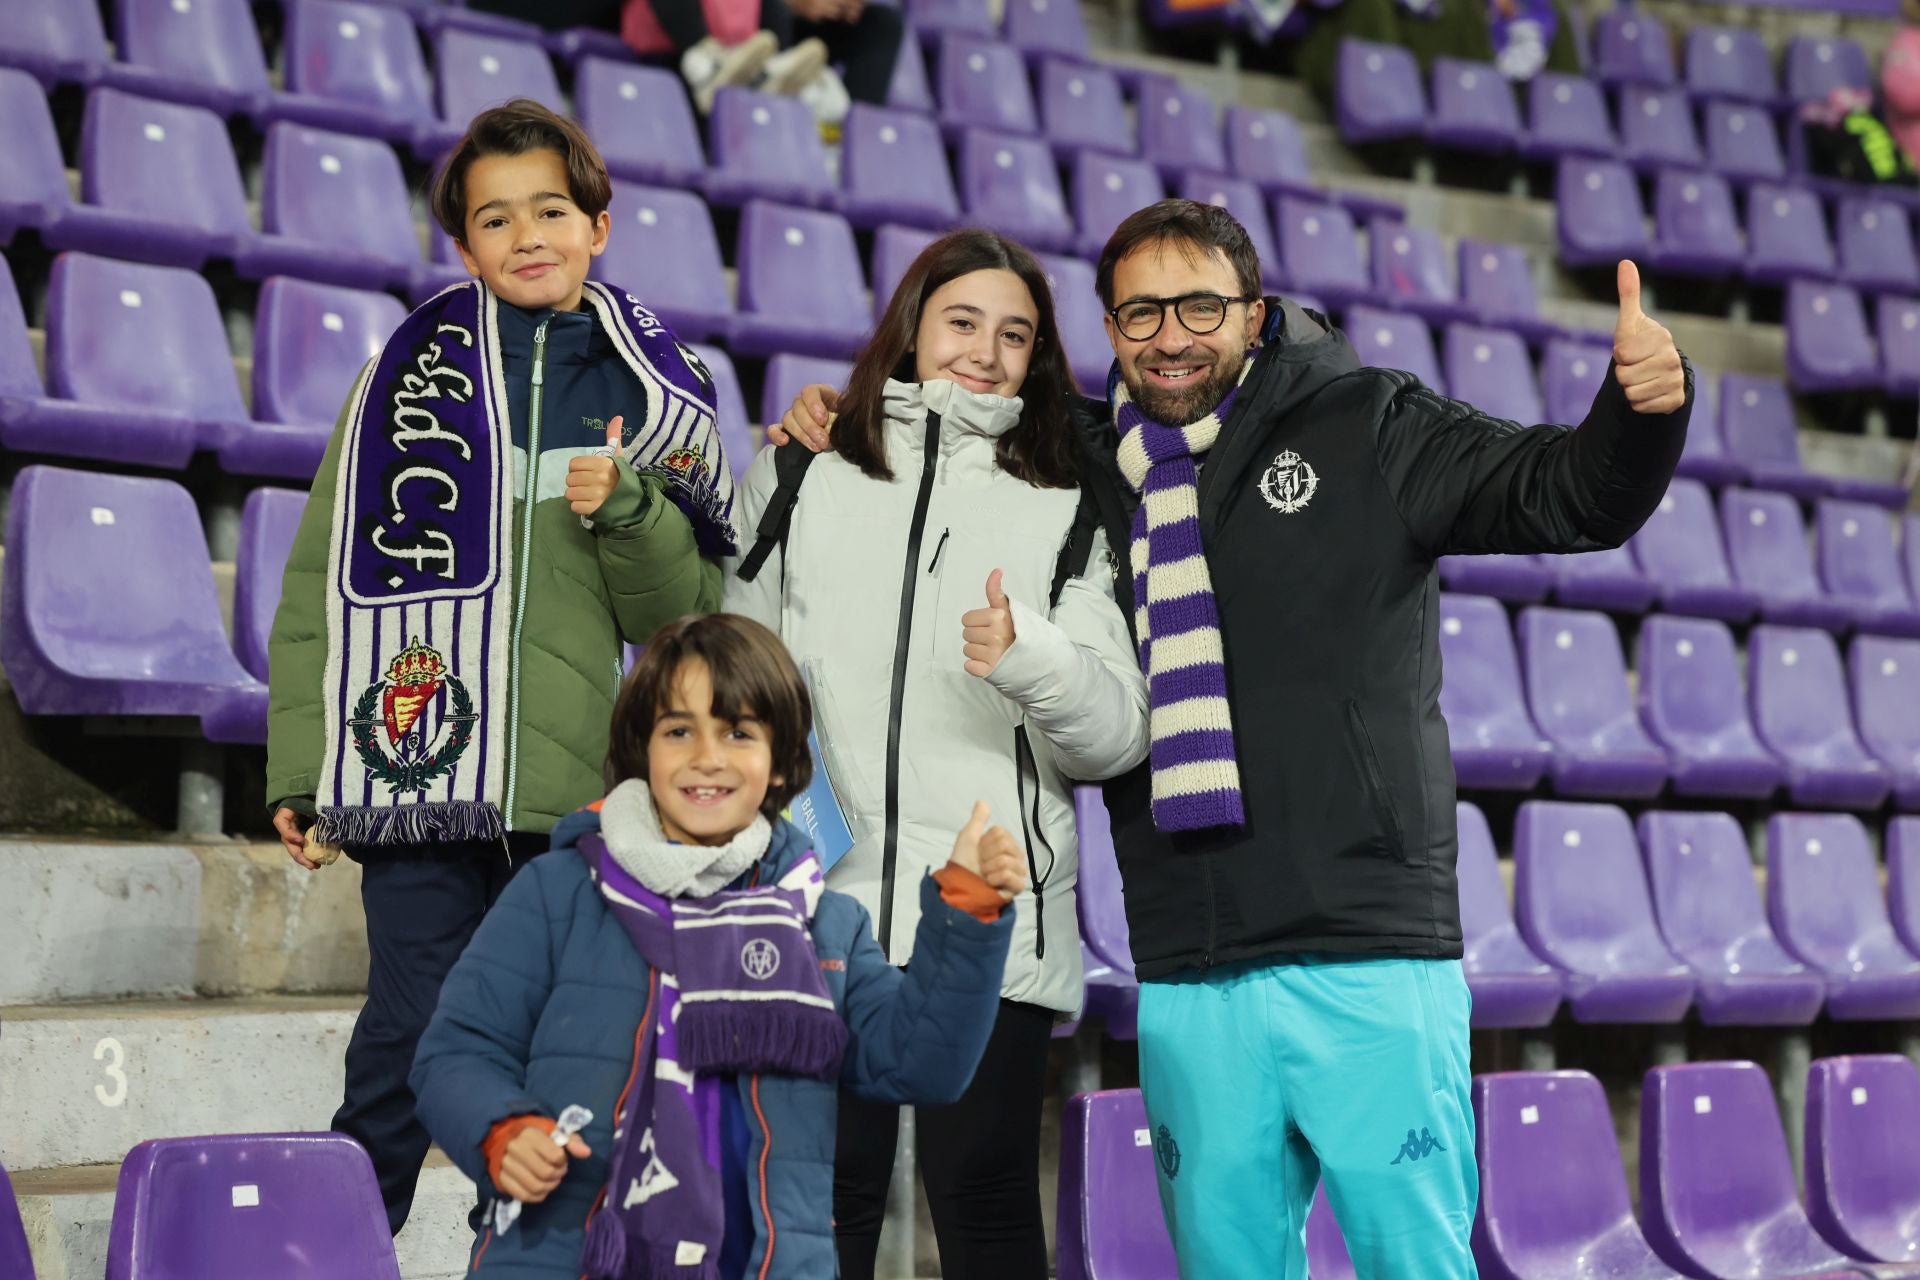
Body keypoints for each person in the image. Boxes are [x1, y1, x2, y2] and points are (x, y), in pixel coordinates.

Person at [772, 199, 1692, 1277]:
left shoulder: (1369, 422)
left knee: (1414, 1261)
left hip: (1367, 947)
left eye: (1200, 304)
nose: (1171, 335)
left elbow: (1571, 494)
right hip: (1190, 961)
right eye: (1140, 312)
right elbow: (945, 433)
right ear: (1110, 330)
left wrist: (1640, 410)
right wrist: (835, 418)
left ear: (1255, 313)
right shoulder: (1077, 455)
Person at [265, 98, 732, 1233]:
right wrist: (299, 764)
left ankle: (519, 1252)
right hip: (411, 775)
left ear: (599, 225)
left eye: (552, 210)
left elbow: (681, 616)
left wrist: (629, 508)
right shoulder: (397, 385)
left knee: (536, 1044)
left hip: (570, 790)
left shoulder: (655, 392)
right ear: (464, 244)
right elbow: (319, 578)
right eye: (494, 218)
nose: (527, 235)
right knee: (415, 1028)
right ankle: (342, 1249)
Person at [725, 228, 1150, 1280]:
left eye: (1015, 334)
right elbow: (736, 690)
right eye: (963, 321)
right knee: (819, 1200)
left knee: (986, 1194)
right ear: (912, 327)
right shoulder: (794, 473)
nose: (986, 351)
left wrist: (1032, 656)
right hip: (821, 908)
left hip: (987, 906)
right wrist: (797, 846)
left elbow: (1114, 735)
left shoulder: (1072, 500)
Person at [409, 612, 1027, 1278]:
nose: (708, 757)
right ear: (640, 749)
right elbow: (455, 1053)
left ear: (784, 762)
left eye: (739, 731)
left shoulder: (827, 922)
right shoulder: (555, 891)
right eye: (679, 730)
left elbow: (918, 1064)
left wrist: (965, 915)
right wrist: (501, 1130)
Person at [623, 0, 903, 129]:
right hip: (682, 34)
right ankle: (707, 63)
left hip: (759, 30)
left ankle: (850, 140)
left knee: (882, 23)